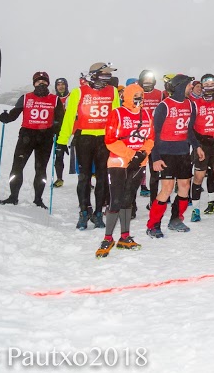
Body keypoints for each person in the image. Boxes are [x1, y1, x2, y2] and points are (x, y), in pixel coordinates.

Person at [57, 62, 121, 230]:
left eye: (109, 75)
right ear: (94, 75)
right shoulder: (78, 92)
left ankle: (98, 213)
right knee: (84, 177)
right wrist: (61, 142)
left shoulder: (112, 91)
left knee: (102, 178)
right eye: (104, 74)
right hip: (84, 137)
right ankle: (84, 212)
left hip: (103, 139)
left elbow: (116, 117)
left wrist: (118, 140)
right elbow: (69, 118)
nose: (108, 78)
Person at [96, 83, 154, 258]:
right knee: (116, 200)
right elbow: (110, 139)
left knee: (129, 199)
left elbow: (150, 137)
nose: (139, 99)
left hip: (139, 163)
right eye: (136, 96)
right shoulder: (118, 114)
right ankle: (107, 238)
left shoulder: (146, 114)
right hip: (119, 161)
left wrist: (142, 154)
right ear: (128, 96)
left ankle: (125, 237)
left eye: (141, 96)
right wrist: (130, 154)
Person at [0, 71, 65, 208]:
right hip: (26, 137)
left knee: (41, 170)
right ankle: (13, 196)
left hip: (45, 138)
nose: (42, 84)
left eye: (44, 81)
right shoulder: (25, 97)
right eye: (39, 81)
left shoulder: (55, 99)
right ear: (34, 83)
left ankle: (38, 199)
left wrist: (59, 138)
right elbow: (14, 114)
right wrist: (6, 117)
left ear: (48, 83)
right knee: (17, 167)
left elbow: (60, 120)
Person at [145, 74, 198, 238]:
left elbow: (189, 130)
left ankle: (176, 219)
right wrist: (156, 157)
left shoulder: (190, 104)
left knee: (184, 186)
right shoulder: (164, 106)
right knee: (167, 189)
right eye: (189, 85)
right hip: (166, 153)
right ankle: (153, 225)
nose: (192, 87)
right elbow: (153, 134)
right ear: (181, 86)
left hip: (183, 153)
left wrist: (197, 146)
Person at [190, 74, 214, 217]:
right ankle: (195, 210)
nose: (208, 86)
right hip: (203, 144)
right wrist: (198, 142)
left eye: (211, 83)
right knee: (198, 177)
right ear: (201, 85)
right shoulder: (195, 103)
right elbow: (190, 127)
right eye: (205, 84)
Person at [137, 70, 163, 199]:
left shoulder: (159, 94)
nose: (148, 83)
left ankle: (154, 200)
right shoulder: (136, 93)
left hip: (155, 138)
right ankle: (132, 203)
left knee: (155, 170)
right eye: (145, 81)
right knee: (137, 170)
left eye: (150, 80)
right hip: (138, 137)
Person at [51, 77, 70, 187]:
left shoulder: (72, 96)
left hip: (73, 131)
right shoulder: (53, 99)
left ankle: (86, 180)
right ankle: (59, 179)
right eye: (58, 85)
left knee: (79, 157)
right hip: (59, 132)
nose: (61, 86)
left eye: (63, 84)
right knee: (58, 155)